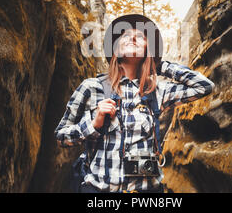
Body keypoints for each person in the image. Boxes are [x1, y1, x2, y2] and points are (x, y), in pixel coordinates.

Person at [54, 14, 215, 193]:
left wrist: (158, 64)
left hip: (148, 191)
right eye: (125, 35)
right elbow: (61, 137)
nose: (132, 38)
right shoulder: (92, 87)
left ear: (148, 48)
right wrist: (93, 124)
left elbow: (204, 86)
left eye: (140, 37)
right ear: (115, 48)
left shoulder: (157, 91)